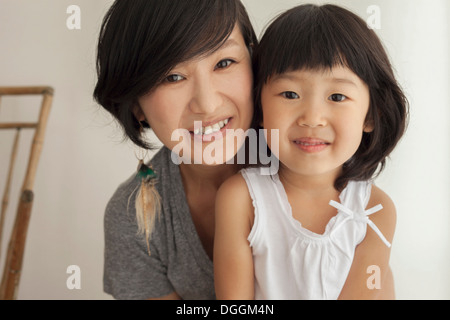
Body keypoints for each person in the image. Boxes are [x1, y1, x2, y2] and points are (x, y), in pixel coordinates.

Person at [214, 4, 409, 300]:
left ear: (372, 115)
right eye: (290, 94)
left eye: (337, 96)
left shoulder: (376, 210)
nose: (312, 117)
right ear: (261, 109)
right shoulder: (240, 199)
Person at [93, 0, 257, 300]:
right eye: (172, 77)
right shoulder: (134, 218)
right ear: (137, 105)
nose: (207, 104)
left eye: (224, 63)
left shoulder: (313, 161)